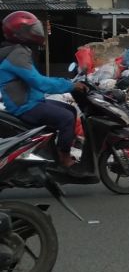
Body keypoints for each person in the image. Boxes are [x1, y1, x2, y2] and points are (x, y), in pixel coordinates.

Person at [0, 11, 87, 170]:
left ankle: (58, 146)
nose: (37, 33)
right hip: (25, 106)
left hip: (32, 101)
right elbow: (39, 82)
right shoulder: (16, 54)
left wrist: (67, 82)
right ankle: (64, 157)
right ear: (20, 33)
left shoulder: (18, 50)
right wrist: (70, 85)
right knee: (67, 117)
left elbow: (35, 79)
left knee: (70, 110)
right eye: (31, 30)